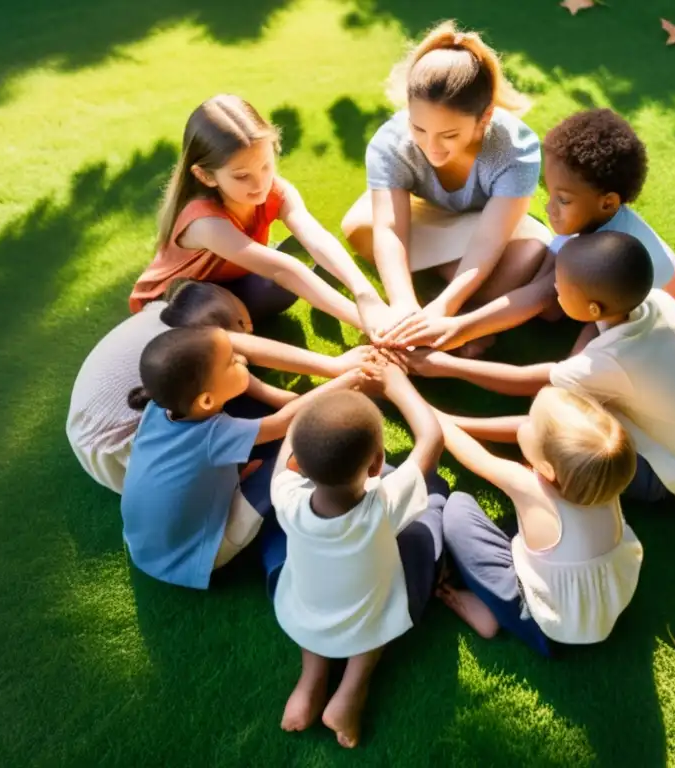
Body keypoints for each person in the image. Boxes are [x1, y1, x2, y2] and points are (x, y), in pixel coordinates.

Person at [407, 231, 675, 509]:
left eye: (562, 286)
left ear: (593, 306)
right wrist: (576, 364)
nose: (555, 289)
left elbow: (528, 383)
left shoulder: (612, 362)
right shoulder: (655, 301)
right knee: (568, 393)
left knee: (558, 422)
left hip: (671, 476)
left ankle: (452, 423)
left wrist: (445, 365)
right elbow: (597, 328)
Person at [389, 108, 675, 351]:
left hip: (660, 344)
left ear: (607, 203)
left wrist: (459, 328)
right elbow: (546, 289)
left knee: (567, 383)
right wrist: (474, 320)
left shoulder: (609, 248)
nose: (550, 208)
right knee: (551, 290)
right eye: (550, 193)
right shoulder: (592, 221)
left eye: (563, 200)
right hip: (625, 315)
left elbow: (541, 296)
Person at [341, 20, 551, 354]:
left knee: (527, 257)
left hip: (491, 228)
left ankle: (447, 308)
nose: (431, 146)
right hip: (432, 219)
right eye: (418, 128)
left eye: (449, 135)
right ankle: (436, 303)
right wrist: (404, 305)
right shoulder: (390, 142)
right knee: (358, 226)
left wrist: (445, 308)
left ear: (484, 118)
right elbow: (391, 229)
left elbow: (489, 238)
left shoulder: (515, 147)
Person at [120, 326, 378, 589]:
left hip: (146, 546)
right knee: (291, 458)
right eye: (232, 362)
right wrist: (345, 381)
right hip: (195, 556)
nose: (242, 360)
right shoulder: (213, 434)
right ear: (207, 401)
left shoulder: (159, 408)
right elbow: (283, 423)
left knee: (261, 450)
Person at [268, 366, 445, 748]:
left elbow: (287, 448)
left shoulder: (286, 497)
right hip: (369, 618)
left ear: (299, 463)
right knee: (429, 514)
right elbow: (432, 438)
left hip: (306, 612)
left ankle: (310, 682)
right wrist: (398, 385)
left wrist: (331, 390)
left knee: (319, 607)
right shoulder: (383, 503)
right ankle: (352, 688)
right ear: (377, 464)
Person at [67, 280, 378, 493]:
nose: (249, 334)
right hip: (121, 455)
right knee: (256, 431)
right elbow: (276, 421)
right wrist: (336, 369)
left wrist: (285, 397)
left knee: (229, 387)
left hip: (93, 438)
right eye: (243, 326)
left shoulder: (166, 327)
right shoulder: (188, 348)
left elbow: (247, 380)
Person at [130, 94, 393, 335]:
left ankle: (246, 311)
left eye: (266, 166)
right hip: (176, 306)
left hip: (228, 284)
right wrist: (370, 323)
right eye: (242, 176)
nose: (260, 184)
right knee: (283, 276)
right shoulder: (204, 222)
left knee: (285, 280)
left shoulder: (275, 190)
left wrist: (366, 295)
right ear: (206, 175)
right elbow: (282, 270)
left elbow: (315, 236)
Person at [436, 387, 643, 654]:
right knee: (523, 531)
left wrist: (419, 405)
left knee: (457, 510)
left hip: (546, 628)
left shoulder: (529, 488)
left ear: (547, 469)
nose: (525, 422)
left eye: (531, 423)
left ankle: (497, 613)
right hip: (601, 611)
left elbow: (475, 457)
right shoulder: (601, 479)